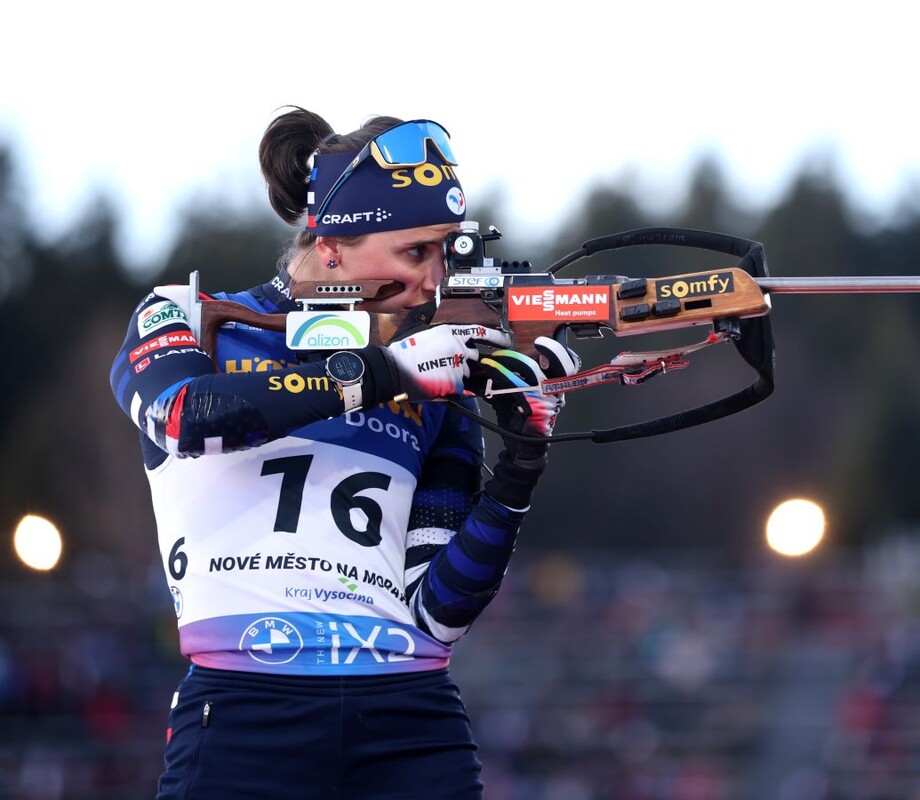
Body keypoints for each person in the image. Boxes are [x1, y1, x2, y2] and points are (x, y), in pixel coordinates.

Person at [109, 106, 578, 799]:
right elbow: (185, 416)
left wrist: (521, 465)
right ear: (330, 245)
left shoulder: (433, 378)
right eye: (415, 252)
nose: (435, 278)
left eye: (446, 253)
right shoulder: (184, 316)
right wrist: (385, 373)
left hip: (410, 719)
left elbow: (441, 612)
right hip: (246, 704)